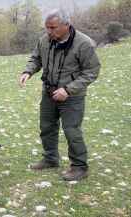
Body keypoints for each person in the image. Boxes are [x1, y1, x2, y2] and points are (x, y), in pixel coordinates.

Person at [19, 9, 101, 181]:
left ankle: (79, 167)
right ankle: (50, 159)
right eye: (47, 28)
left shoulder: (84, 44)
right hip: (48, 92)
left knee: (72, 131)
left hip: (72, 97)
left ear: (66, 25)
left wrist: (68, 90)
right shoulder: (45, 40)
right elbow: (36, 58)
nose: (49, 31)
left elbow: (92, 71)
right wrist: (28, 71)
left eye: (53, 28)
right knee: (47, 127)